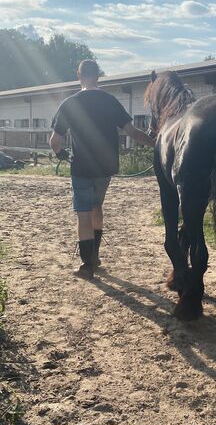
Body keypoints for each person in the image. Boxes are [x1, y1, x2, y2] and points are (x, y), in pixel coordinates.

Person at [50, 59, 154, 280]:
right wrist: (157, 144)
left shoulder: (70, 103)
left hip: (81, 167)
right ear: (98, 76)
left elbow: (54, 141)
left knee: (83, 213)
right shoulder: (110, 101)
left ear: (79, 76)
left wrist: (62, 155)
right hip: (105, 168)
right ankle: (96, 256)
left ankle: (88, 265)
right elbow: (133, 132)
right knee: (96, 207)